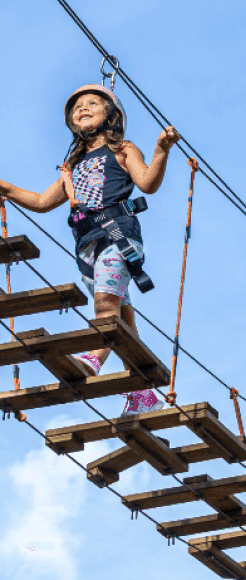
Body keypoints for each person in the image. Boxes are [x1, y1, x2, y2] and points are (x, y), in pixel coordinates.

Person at [0, 84, 180, 415]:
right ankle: (142, 391)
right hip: (86, 246)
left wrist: (161, 151)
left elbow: (147, 183)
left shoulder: (122, 150)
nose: (83, 108)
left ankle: (93, 358)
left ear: (111, 115)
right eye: (77, 106)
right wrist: (7, 188)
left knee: (105, 305)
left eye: (93, 103)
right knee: (123, 319)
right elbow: (41, 201)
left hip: (117, 237)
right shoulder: (74, 164)